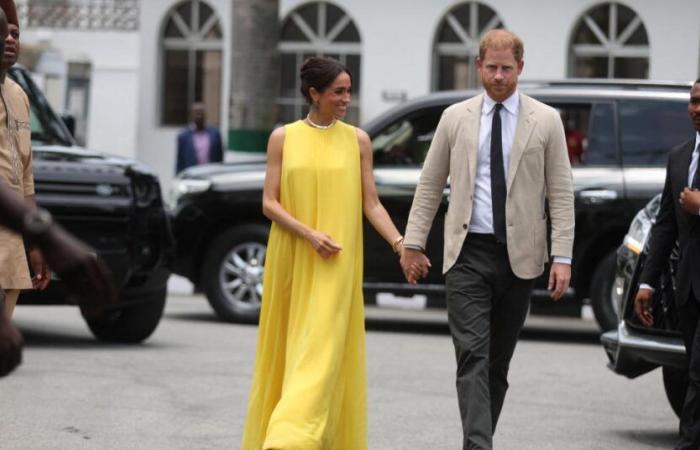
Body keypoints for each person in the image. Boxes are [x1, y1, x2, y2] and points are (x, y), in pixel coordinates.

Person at [400, 29, 575, 449]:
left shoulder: (545, 120)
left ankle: (476, 439)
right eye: (491, 67)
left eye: (507, 69)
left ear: (520, 68)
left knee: (497, 364)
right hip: (467, 253)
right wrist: (412, 243)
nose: (499, 77)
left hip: (520, 257)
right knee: (472, 357)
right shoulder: (455, 117)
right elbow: (429, 184)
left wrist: (562, 255)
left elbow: (561, 191)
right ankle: (479, 446)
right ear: (478, 66)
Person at [241, 57, 405, 449]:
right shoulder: (283, 137)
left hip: (338, 261)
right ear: (314, 94)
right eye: (339, 91)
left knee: (323, 350)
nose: (347, 98)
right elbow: (269, 202)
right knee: (296, 348)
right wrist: (308, 233)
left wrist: (401, 245)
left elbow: (372, 204)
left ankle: (288, 439)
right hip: (294, 256)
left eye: (349, 90)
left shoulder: (358, 140)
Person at [634, 78, 700, 450]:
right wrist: (647, 283)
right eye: (693, 101)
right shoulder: (679, 157)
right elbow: (664, 227)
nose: (696, 108)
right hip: (688, 289)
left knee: (697, 373)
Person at [0, 0, 49, 318]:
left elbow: (25, 177)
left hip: (11, 249)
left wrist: (36, 243)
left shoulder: (19, 96)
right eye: (2, 32)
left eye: (15, 33)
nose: (10, 39)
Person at [175, 102, 223, 173]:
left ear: (205, 115)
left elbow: (220, 158)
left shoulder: (215, 134)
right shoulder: (184, 136)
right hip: (192, 175)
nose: (199, 116)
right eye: (196, 113)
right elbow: (180, 160)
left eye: (201, 113)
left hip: (210, 174)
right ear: (191, 115)